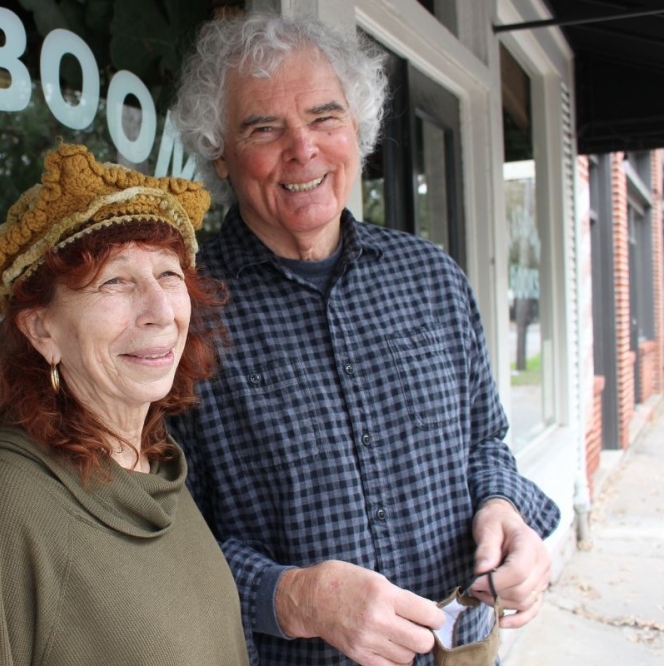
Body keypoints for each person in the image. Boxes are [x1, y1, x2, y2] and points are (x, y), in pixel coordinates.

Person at [166, 12, 562, 666]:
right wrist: (291, 596)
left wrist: (504, 510)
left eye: (325, 118)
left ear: (359, 128)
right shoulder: (180, 315)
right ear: (220, 154)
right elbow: (161, 539)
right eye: (264, 128)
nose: (304, 150)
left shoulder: (431, 277)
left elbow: (486, 441)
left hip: (462, 649)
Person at [0, 142, 249, 666]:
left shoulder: (152, 463)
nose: (160, 310)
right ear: (41, 329)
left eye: (168, 274)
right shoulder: (0, 508)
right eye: (116, 281)